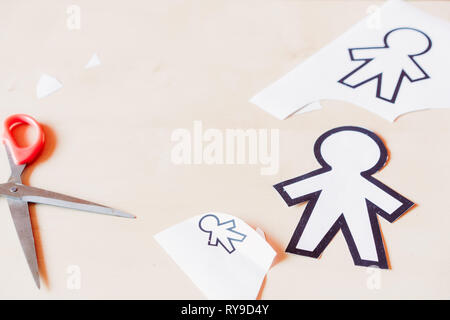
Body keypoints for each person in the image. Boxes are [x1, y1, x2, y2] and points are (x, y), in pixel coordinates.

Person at [274, 126, 414, 269]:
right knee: (314, 236)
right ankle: (368, 258)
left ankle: (368, 258)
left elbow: (290, 192)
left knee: (362, 236)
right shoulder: (336, 178)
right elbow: (393, 207)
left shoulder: (340, 179)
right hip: (330, 209)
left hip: (354, 210)